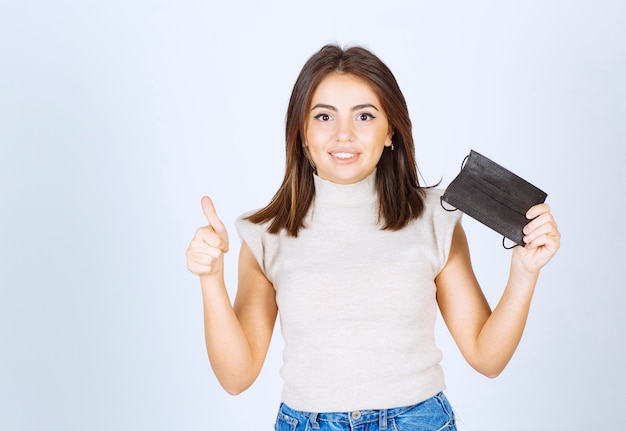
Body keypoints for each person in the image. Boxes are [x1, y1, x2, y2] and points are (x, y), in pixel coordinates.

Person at [186, 44, 560, 431]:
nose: (344, 134)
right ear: (301, 133)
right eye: (324, 116)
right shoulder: (267, 233)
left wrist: (524, 272)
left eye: (364, 116)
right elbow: (236, 377)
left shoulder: (434, 218)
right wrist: (211, 279)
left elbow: (487, 357)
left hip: (418, 421)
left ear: (390, 131)